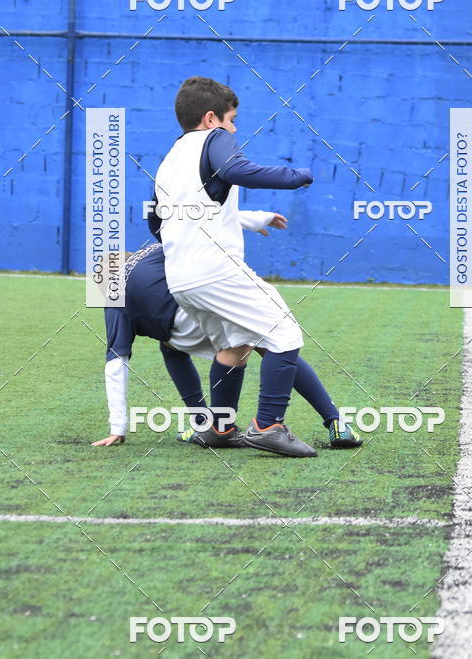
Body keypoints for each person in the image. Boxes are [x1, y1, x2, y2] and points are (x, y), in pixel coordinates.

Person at [154, 76, 332, 457]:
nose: (234, 129)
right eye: (231, 119)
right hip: (216, 271)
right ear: (210, 118)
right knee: (284, 334)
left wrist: (248, 220)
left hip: (181, 279)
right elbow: (236, 170)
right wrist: (296, 176)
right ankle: (268, 425)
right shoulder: (215, 139)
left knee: (234, 347)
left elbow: (157, 220)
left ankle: (220, 427)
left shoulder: (169, 160)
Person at [92, 214, 362, 451]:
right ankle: (335, 421)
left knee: (171, 347)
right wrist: (257, 219)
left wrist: (119, 426)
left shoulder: (113, 302)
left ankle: (208, 424)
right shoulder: (154, 250)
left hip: (182, 328)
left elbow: (116, 363)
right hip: (209, 297)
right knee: (268, 344)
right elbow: (204, 220)